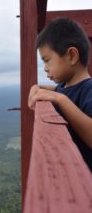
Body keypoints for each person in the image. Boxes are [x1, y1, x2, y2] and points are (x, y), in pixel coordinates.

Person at [28, 17, 92, 171]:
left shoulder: (89, 89)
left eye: (47, 60)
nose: (45, 68)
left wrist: (60, 99)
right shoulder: (64, 87)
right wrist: (36, 87)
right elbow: (59, 91)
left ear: (72, 56)